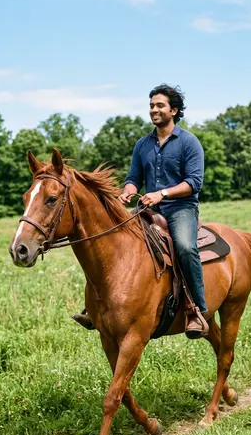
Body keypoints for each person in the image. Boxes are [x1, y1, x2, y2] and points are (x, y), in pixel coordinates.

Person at [74, 83, 208, 339]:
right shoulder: (142, 145)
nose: (154, 110)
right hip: (147, 208)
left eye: (160, 105)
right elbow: (134, 177)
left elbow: (194, 183)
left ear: (174, 110)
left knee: (184, 247)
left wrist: (162, 193)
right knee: (111, 243)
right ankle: (96, 307)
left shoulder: (189, 142)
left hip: (180, 208)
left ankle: (195, 309)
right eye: (151, 106)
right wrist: (127, 191)